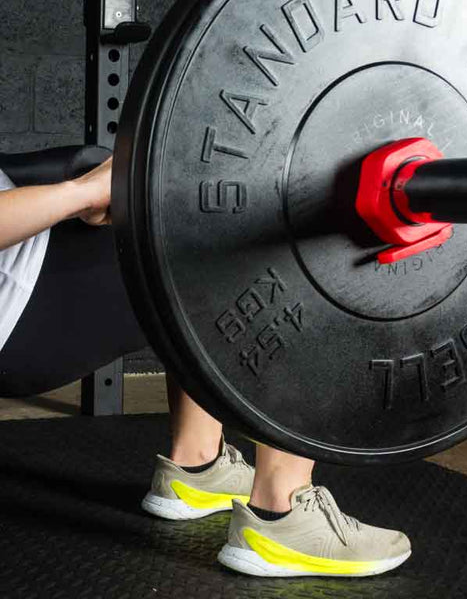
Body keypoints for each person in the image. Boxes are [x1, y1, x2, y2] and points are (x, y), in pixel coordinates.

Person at [0, 158, 411, 577]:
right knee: (270, 232)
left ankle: (196, 466)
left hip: (23, 278)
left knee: (174, 196)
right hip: (17, 311)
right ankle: (281, 513)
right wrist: (81, 192)